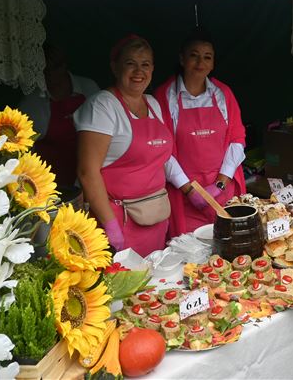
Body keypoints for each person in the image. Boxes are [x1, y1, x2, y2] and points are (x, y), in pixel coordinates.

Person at [74, 35, 175, 257]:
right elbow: (87, 172)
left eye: (145, 64)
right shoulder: (102, 106)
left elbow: (162, 160)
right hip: (119, 220)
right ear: (115, 67)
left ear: (152, 69)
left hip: (155, 216)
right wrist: (110, 227)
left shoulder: (153, 104)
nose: (139, 71)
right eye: (131, 63)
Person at [154, 29, 246, 237]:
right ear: (182, 59)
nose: (200, 62)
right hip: (184, 194)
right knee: (190, 249)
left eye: (207, 57)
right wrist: (189, 189)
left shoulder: (224, 93)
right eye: (194, 55)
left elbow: (237, 139)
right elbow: (161, 149)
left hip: (224, 189)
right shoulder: (164, 95)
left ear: (213, 63)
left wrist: (220, 184)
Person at [19, 43, 100, 186]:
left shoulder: (88, 89)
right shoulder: (32, 101)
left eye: (55, 67)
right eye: (45, 70)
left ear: (65, 65)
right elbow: (23, 147)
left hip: (88, 174)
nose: (50, 74)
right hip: (48, 180)